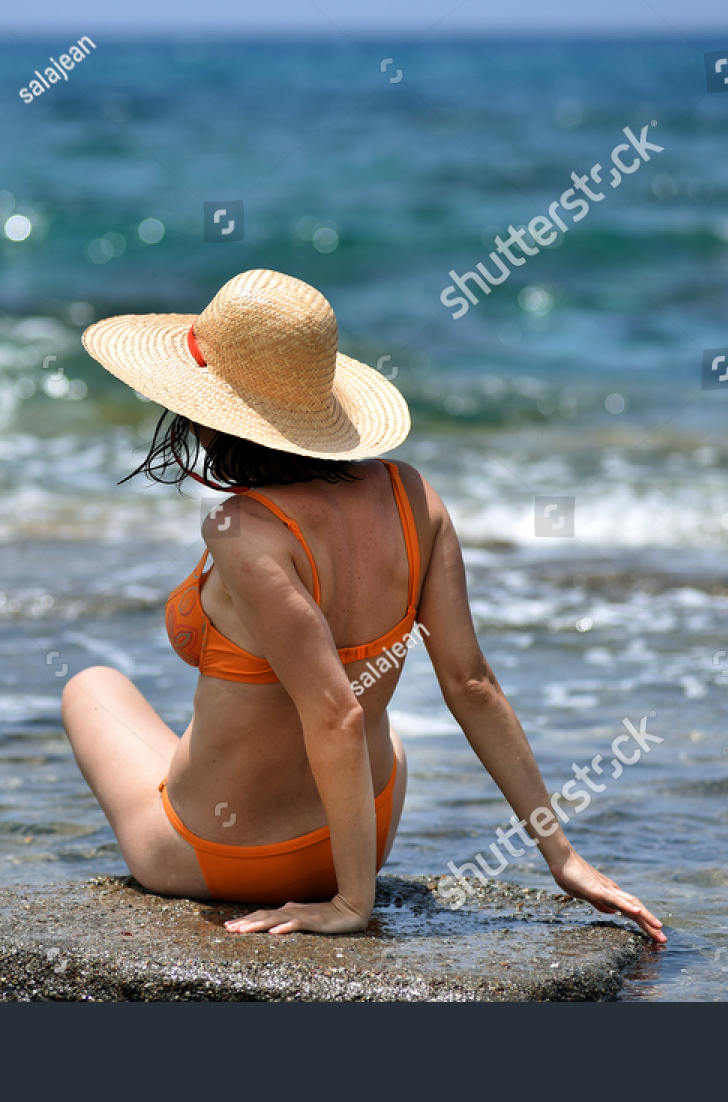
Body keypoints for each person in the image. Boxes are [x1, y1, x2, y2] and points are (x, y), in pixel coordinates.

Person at [63, 269, 665, 942]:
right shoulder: (414, 496)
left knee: (93, 686)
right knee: (388, 733)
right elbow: (471, 685)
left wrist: (353, 907)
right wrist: (564, 857)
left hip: (223, 857)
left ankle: (302, 861)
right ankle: (334, 862)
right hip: (361, 834)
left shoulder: (244, 531)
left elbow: (334, 716)